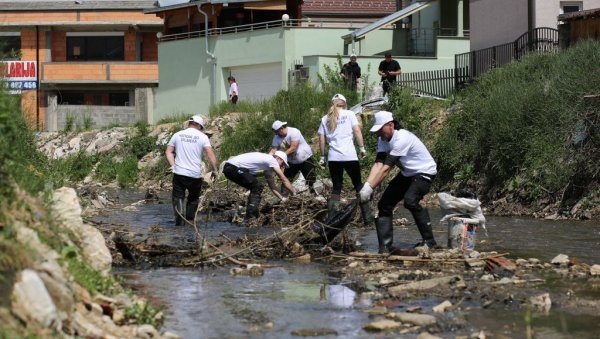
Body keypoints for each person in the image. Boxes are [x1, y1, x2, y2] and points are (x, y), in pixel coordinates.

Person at [359, 111, 438, 253]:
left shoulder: (402, 138)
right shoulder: (383, 139)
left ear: (391, 125)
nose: (378, 134)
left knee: (410, 201)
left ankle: (429, 242)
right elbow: (378, 164)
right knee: (384, 205)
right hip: (408, 173)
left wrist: (371, 188)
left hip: (425, 172)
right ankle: (385, 247)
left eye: (380, 130)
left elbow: (386, 169)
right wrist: (366, 186)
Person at [318, 93, 373, 224]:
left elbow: (321, 138)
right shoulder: (349, 114)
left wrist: (322, 156)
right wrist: (362, 148)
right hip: (350, 156)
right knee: (358, 185)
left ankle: (331, 220)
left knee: (336, 187)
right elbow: (357, 131)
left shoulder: (325, 118)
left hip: (333, 158)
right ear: (344, 103)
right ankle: (368, 219)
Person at [165, 115, 219, 226]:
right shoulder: (203, 137)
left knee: (178, 197)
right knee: (193, 199)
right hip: (195, 175)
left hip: (179, 173)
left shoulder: (177, 135)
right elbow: (210, 155)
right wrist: (215, 170)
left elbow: (168, 152)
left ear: (189, 123)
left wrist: (173, 165)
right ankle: (189, 223)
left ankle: (180, 224)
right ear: (199, 125)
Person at [223, 151, 296, 221]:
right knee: (257, 187)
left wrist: (283, 198)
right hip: (233, 168)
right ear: (278, 158)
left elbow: (272, 186)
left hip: (230, 169)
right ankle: (250, 217)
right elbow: (283, 179)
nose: (282, 166)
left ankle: (247, 212)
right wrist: (294, 194)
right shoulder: (272, 160)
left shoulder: (268, 166)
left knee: (255, 187)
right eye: (283, 164)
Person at [269, 120, 316, 195]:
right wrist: (268, 158)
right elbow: (274, 149)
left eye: (277, 132)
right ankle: (284, 197)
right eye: (275, 133)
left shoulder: (294, 131)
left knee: (311, 179)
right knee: (286, 180)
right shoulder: (276, 137)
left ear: (281, 128)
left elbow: (293, 148)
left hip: (305, 159)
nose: (277, 134)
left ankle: (315, 195)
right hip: (292, 162)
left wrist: (281, 158)